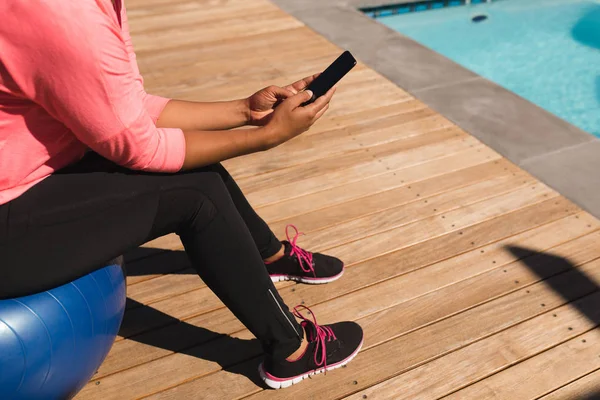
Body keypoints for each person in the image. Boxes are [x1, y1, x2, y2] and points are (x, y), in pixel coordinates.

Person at [0, 0, 363, 390]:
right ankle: (291, 350)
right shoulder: (64, 17)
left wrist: (245, 111)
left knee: (193, 167)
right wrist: (267, 136)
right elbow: (140, 147)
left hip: (25, 177)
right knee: (194, 193)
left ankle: (269, 255)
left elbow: (127, 109)